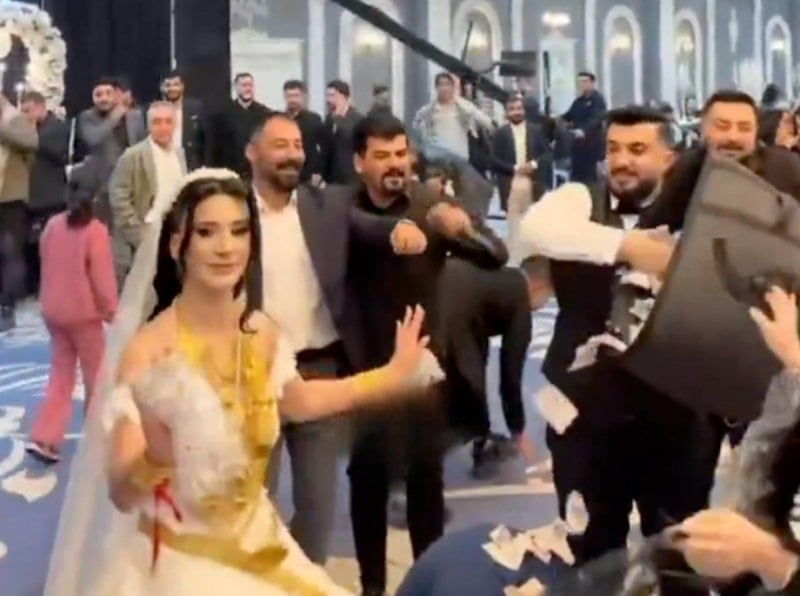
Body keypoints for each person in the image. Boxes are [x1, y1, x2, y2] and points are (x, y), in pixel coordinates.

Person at [43, 169, 438, 596]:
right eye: (206, 232)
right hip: (183, 563)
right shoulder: (150, 352)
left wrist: (392, 375)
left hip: (263, 547)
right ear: (177, 244)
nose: (225, 247)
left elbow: (299, 400)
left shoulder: (260, 332)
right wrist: (156, 456)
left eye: (238, 231)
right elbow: (121, 493)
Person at [346, 113, 508, 596]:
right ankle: (372, 586)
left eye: (401, 154)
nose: (394, 164)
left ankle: (430, 582)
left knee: (425, 481)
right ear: (359, 162)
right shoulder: (344, 208)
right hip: (364, 368)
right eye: (382, 156)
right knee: (368, 481)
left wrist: (463, 230)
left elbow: (496, 256)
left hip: (424, 368)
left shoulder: (431, 204)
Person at [27, 183, 117, 463]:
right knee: (97, 376)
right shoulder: (96, 231)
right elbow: (102, 279)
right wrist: (111, 311)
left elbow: (45, 263)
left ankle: (45, 437)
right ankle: (99, 435)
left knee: (60, 375)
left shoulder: (52, 225)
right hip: (84, 315)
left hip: (54, 312)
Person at [439, 255, 551, 475]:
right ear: (540, 285)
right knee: (470, 390)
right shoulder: (520, 297)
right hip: (453, 313)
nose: (544, 303)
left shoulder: (497, 280)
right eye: (549, 295)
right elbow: (510, 374)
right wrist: (517, 429)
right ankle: (479, 449)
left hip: (431, 291)